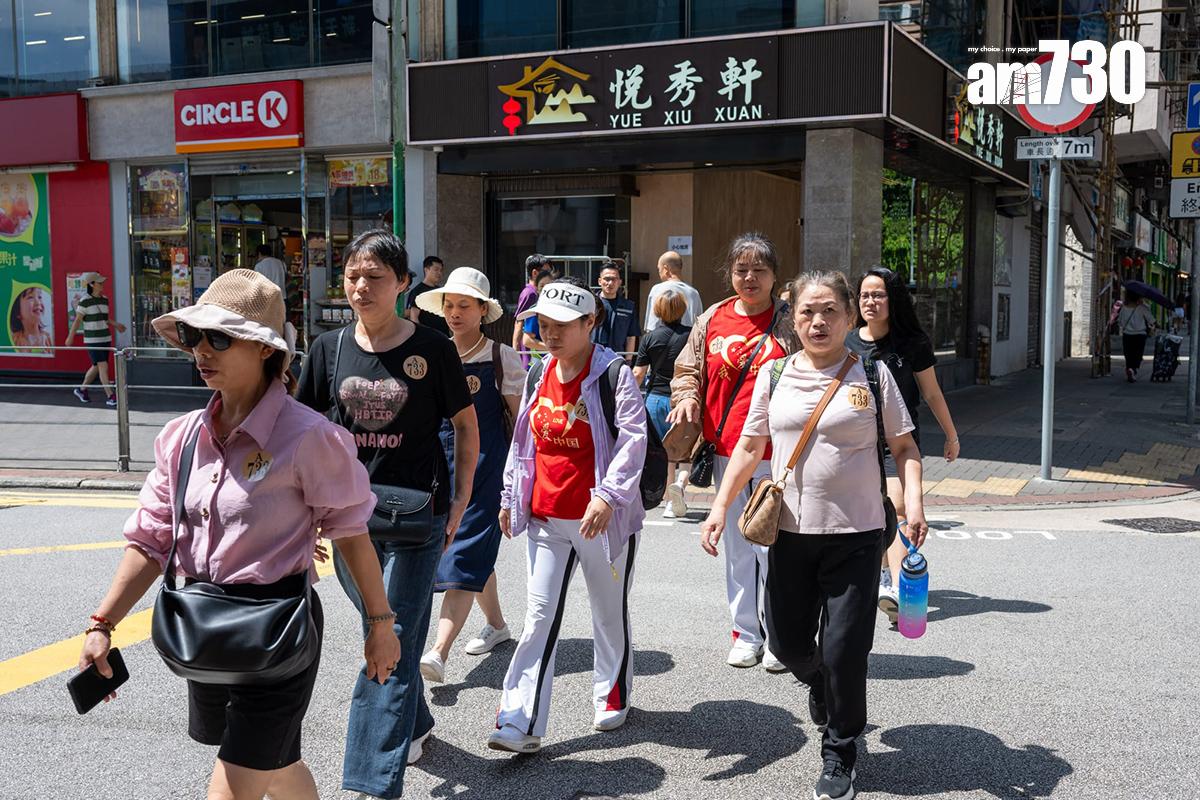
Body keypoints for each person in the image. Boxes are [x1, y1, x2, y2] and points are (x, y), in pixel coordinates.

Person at [78, 269, 400, 800]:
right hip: (203, 627)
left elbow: (351, 536)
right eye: (193, 336)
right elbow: (152, 539)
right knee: (276, 763)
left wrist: (381, 624)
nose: (201, 350)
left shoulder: (311, 437)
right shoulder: (181, 437)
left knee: (238, 778)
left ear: (264, 349)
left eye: (219, 338)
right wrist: (101, 624)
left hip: (278, 630)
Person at [702, 271, 928, 800]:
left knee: (846, 648)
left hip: (858, 534)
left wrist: (914, 504)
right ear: (794, 319)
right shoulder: (775, 374)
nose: (818, 321)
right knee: (786, 644)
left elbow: (905, 447)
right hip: (789, 534)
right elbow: (748, 446)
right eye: (807, 311)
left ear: (849, 317)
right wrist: (718, 506)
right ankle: (824, 687)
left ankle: (840, 750)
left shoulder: (872, 374)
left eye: (829, 311)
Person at [296, 230, 479, 798]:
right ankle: (414, 722)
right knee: (386, 632)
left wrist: (461, 498)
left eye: (374, 277)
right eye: (352, 276)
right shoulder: (327, 349)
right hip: (347, 521)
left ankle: (371, 783)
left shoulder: (434, 348)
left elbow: (465, 426)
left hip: (418, 517)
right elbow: (301, 435)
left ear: (402, 283)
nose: (360, 287)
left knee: (388, 634)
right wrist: (304, 514)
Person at [489, 276, 647, 754]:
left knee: (607, 610)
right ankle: (518, 721)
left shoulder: (613, 374)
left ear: (590, 322)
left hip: (602, 519)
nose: (550, 333)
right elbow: (524, 442)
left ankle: (611, 693)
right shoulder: (539, 372)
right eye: (543, 324)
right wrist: (509, 496)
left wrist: (608, 496)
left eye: (562, 324)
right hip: (545, 518)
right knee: (538, 617)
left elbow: (633, 439)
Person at [668, 232, 795, 672]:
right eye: (742, 270)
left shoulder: (790, 321)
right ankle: (745, 633)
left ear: (775, 276)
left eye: (760, 270)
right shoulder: (712, 319)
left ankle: (782, 635)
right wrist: (687, 396)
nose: (750, 278)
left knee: (777, 549)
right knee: (739, 546)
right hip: (727, 451)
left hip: (781, 455)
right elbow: (687, 369)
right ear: (730, 274)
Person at [413, 267, 523, 683]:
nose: (455, 313)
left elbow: (520, 424)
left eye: (464, 305)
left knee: (461, 555)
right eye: (449, 305)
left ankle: (438, 651)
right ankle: (497, 625)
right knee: (475, 555)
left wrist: (518, 478)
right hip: (438, 468)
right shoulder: (431, 353)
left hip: (487, 470)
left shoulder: (500, 357)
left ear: (483, 311)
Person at [846, 266, 959, 623]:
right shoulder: (848, 343)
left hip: (899, 442)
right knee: (874, 514)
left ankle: (896, 588)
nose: (870, 301)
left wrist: (951, 435)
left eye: (878, 295)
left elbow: (932, 393)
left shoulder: (912, 343)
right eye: (865, 295)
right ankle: (884, 573)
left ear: (893, 299)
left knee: (895, 507)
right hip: (858, 443)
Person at [633, 289, 692, 517]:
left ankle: (667, 498)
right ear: (682, 309)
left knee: (663, 451)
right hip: (683, 399)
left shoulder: (650, 338)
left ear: (657, 311)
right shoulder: (691, 335)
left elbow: (638, 373)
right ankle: (680, 485)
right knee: (686, 451)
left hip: (655, 400)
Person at [65, 272, 125, 407]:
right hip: (93, 340)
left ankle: (81, 390)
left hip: (105, 338)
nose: (102, 284)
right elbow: (77, 320)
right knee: (103, 366)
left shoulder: (104, 299)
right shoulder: (84, 301)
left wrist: (116, 325)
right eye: (99, 282)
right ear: (91, 284)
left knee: (97, 366)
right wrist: (70, 337)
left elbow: (104, 318)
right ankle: (111, 396)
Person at [644, 250, 704, 332]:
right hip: (688, 338)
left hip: (661, 339)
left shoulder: (657, 290)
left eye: (659, 269)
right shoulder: (694, 293)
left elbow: (652, 326)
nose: (659, 273)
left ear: (666, 269)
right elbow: (699, 326)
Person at [592, 261, 641, 356]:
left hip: (616, 356)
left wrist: (628, 360)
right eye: (607, 279)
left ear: (620, 282)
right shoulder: (591, 303)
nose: (610, 283)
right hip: (592, 355)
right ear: (599, 281)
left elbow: (631, 336)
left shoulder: (628, 307)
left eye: (614, 279)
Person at [514, 254, 551, 367]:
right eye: (546, 272)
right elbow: (519, 322)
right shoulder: (530, 294)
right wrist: (515, 351)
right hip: (530, 353)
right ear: (535, 273)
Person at [406, 255, 450, 336]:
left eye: (441, 270)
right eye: (436, 269)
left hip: (444, 336)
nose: (439, 273)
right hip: (428, 337)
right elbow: (414, 318)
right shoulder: (417, 291)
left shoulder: (441, 291)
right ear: (426, 270)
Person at [1117, 290, 1156, 382]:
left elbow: (1120, 322)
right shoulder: (1142, 307)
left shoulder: (1124, 308)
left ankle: (1129, 368)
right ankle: (1133, 370)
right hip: (1140, 335)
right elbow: (1151, 320)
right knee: (1137, 354)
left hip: (1127, 334)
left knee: (1128, 354)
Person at [521, 269, 555, 359]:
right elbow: (527, 340)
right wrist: (551, 348)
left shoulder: (560, 309)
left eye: (549, 286)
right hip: (541, 361)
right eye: (542, 286)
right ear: (537, 289)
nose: (545, 289)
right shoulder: (534, 311)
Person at [10, 286, 52, 351]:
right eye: (30, 297)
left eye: (39, 297)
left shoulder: (48, 338)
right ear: (17, 311)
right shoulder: (15, 339)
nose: (38, 302)